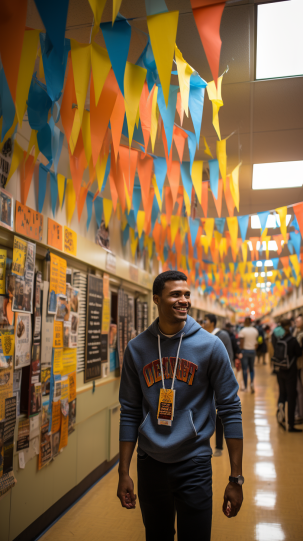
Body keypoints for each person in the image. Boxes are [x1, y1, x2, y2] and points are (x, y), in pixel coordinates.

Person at [118, 271, 244, 541]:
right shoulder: (136, 349)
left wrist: (236, 479)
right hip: (150, 463)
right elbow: (129, 411)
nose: (184, 300)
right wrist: (123, 471)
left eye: (186, 294)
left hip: (194, 463)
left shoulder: (211, 347)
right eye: (175, 294)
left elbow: (231, 410)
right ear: (156, 299)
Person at [204, 314, 234, 457]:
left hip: (218, 380)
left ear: (213, 323)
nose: (203, 323)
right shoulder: (200, 335)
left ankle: (219, 446)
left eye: (205, 321)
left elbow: (228, 356)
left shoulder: (222, 336)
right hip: (203, 380)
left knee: (220, 412)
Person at [272, 319, 302, 432]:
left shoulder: (280, 339)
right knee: (291, 396)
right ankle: (291, 424)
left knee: (282, 393)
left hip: (280, 370)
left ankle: (281, 415)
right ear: (289, 326)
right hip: (290, 370)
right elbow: (299, 353)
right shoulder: (293, 340)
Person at [238, 317, 258, 393]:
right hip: (252, 351)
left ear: (245, 322)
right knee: (252, 368)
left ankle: (245, 386)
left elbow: (241, 344)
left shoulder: (242, 331)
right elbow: (256, 343)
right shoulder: (255, 330)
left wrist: (241, 351)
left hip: (245, 351)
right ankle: (252, 383)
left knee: (244, 369)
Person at [294, 315, 303, 422]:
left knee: (300, 390)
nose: (296, 320)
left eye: (299, 319)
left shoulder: (301, 335)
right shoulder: (298, 332)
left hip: (300, 365)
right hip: (298, 365)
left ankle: (300, 413)